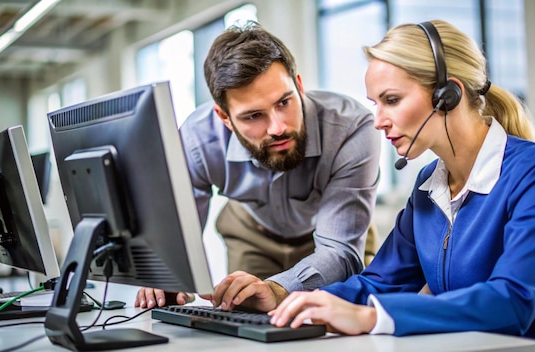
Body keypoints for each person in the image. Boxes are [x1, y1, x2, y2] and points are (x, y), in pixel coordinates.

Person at [223, 20, 535, 351]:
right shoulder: (429, 184)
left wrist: (370, 317)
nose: (378, 120)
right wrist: (283, 296)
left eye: (391, 100)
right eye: (374, 103)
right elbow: (381, 280)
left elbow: (513, 301)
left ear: (447, 95)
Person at [135, 22, 381, 309]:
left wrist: (280, 288)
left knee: (353, 320)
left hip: (333, 233)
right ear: (224, 117)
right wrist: (168, 275)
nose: (277, 127)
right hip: (251, 233)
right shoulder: (198, 140)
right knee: (245, 315)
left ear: (299, 86)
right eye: (253, 116)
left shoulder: (351, 128)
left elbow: (339, 250)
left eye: (284, 102)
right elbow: (179, 237)